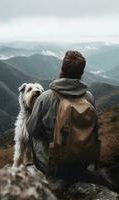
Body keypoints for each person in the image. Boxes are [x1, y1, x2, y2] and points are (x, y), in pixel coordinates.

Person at [27, 51, 98, 179]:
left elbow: (32, 130)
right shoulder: (89, 98)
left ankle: (47, 175)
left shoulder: (45, 98)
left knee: (34, 135)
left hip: (56, 166)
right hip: (83, 162)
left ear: (62, 69)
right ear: (82, 72)